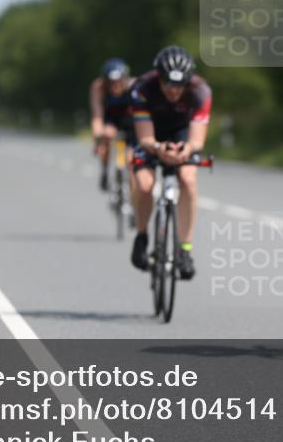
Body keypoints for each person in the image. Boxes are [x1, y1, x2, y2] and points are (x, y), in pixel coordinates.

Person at [128, 46, 212, 280]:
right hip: (150, 134)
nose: (174, 91)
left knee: (188, 179)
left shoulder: (201, 91)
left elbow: (197, 139)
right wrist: (157, 149)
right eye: (168, 85)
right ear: (159, 78)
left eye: (179, 86)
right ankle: (142, 235)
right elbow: (145, 138)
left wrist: (186, 150)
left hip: (181, 132)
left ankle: (185, 250)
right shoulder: (142, 88)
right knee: (144, 185)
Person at [89, 58, 137, 192]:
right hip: (110, 120)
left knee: (131, 160)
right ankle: (104, 170)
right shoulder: (98, 88)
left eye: (119, 82)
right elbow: (97, 116)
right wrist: (98, 140)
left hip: (130, 121)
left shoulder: (135, 85)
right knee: (106, 136)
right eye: (111, 83)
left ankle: (134, 197)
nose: (115, 86)